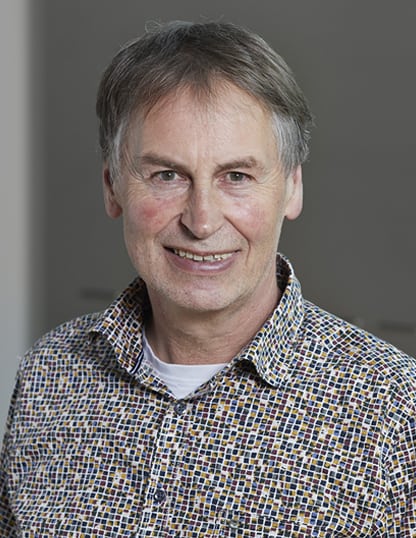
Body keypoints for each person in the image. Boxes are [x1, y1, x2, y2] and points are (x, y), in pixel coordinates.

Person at [1, 20, 415, 537]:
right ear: (112, 187)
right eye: (167, 175)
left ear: (292, 188)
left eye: (236, 176)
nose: (201, 221)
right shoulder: (48, 375)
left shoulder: (393, 410)